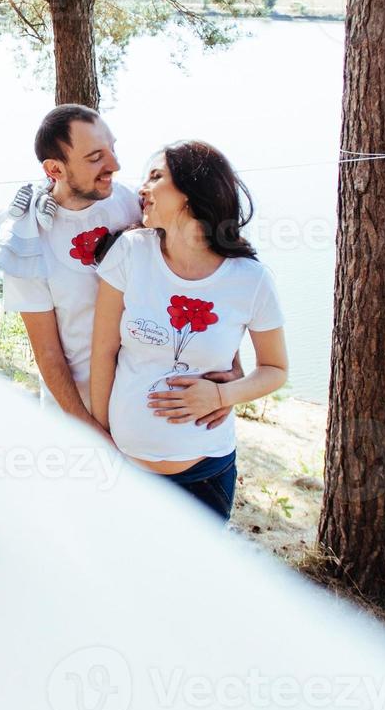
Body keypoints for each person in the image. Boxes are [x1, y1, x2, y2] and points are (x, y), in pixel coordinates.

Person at [0, 106, 239, 438]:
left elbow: (199, 272)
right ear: (55, 168)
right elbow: (48, 354)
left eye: (112, 148)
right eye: (96, 157)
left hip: (148, 409)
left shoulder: (134, 202)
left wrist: (231, 375)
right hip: (75, 424)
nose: (114, 165)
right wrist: (92, 432)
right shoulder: (25, 240)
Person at [89, 140, 288, 520]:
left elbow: (275, 370)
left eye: (156, 177)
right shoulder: (131, 252)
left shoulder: (251, 280)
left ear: (192, 192)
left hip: (204, 476)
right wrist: (101, 435)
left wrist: (220, 395)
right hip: (125, 470)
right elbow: (104, 352)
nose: (141, 189)